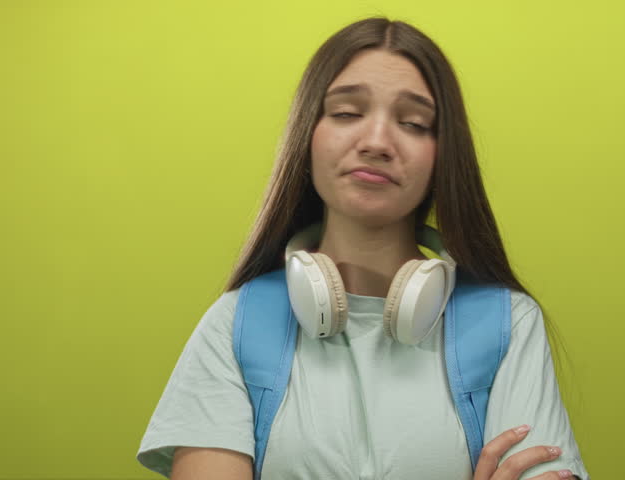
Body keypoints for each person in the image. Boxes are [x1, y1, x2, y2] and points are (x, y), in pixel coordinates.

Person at [137, 16, 590, 480]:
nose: (376, 142)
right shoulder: (234, 325)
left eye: (413, 123)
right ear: (306, 137)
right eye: (347, 113)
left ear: (443, 157)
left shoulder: (509, 326)